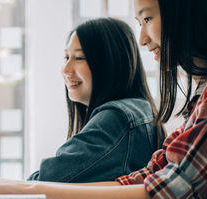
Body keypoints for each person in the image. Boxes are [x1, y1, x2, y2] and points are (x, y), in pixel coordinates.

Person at [0, 0, 207, 199]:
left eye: (147, 20)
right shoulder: (190, 100)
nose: (142, 39)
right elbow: (148, 179)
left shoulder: (118, 116)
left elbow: (170, 189)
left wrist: (28, 187)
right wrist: (24, 187)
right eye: (66, 57)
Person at [27, 17, 164, 184]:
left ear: (108, 62)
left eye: (79, 58)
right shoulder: (141, 109)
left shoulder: (117, 117)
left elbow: (46, 179)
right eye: (66, 57)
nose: (67, 70)